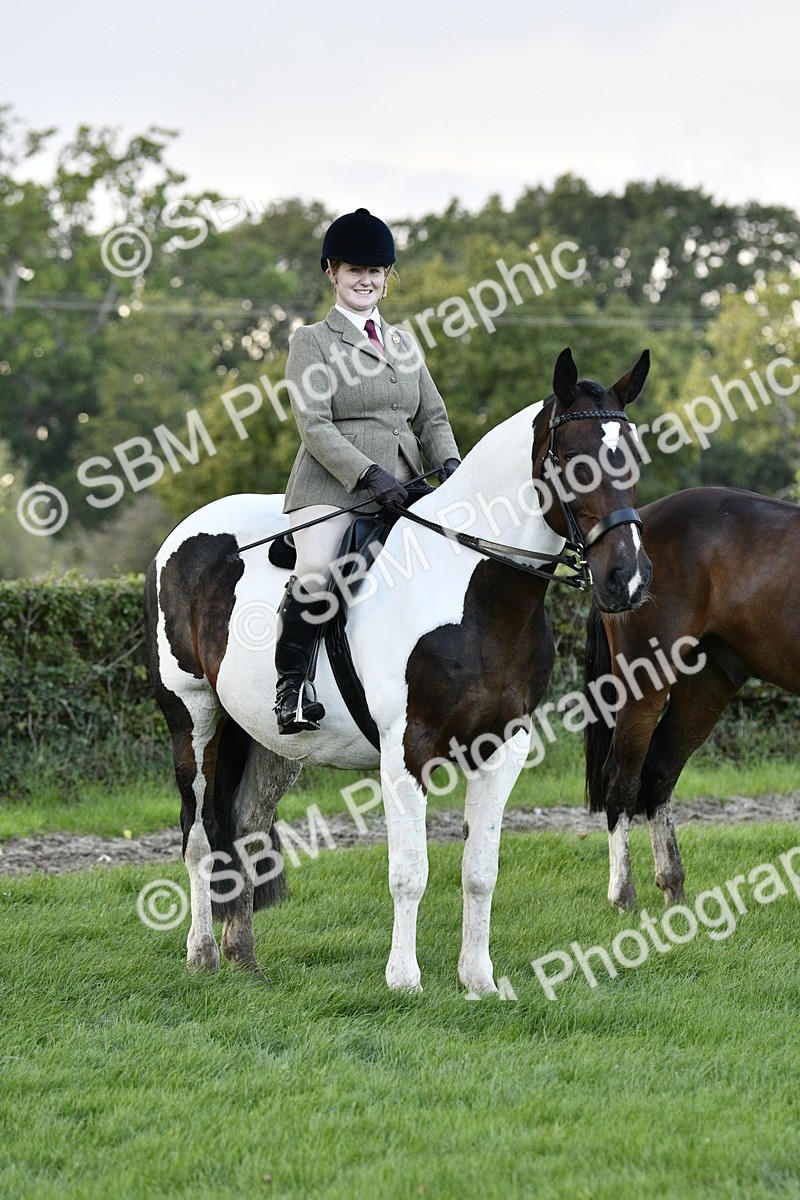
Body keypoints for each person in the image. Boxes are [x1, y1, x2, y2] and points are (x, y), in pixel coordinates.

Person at [274, 206, 461, 734]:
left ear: (387, 279)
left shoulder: (404, 343)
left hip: (403, 486)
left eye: (375, 272)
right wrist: (367, 475)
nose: (366, 280)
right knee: (316, 571)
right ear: (333, 273)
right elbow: (313, 424)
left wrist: (449, 464)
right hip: (332, 487)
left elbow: (433, 417)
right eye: (354, 270)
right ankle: (292, 689)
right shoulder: (312, 341)